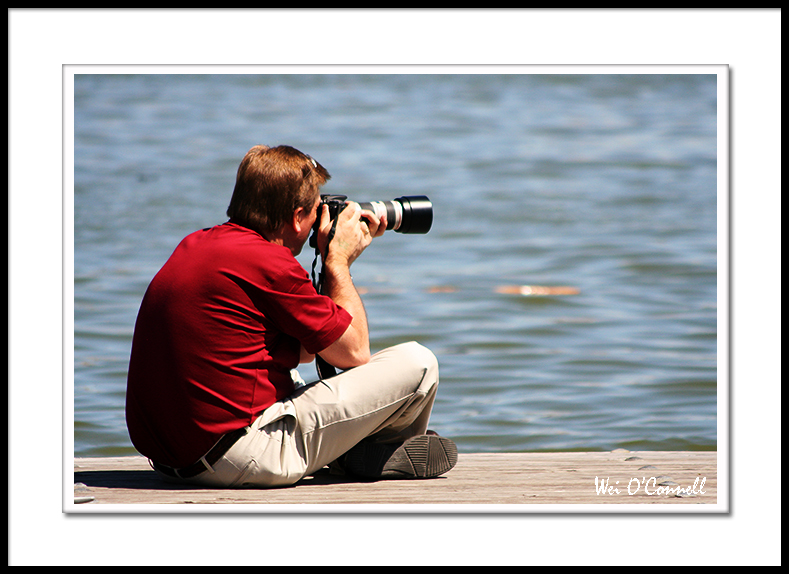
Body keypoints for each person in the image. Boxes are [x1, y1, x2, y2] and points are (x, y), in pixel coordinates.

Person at [125, 144, 457, 488]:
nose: (319, 218)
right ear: (298, 217)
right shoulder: (269, 262)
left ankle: (355, 450)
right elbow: (354, 353)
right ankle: (380, 449)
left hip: (168, 460)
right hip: (240, 456)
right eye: (316, 209)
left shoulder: (197, 243)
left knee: (294, 378)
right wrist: (338, 262)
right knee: (419, 362)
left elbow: (305, 350)